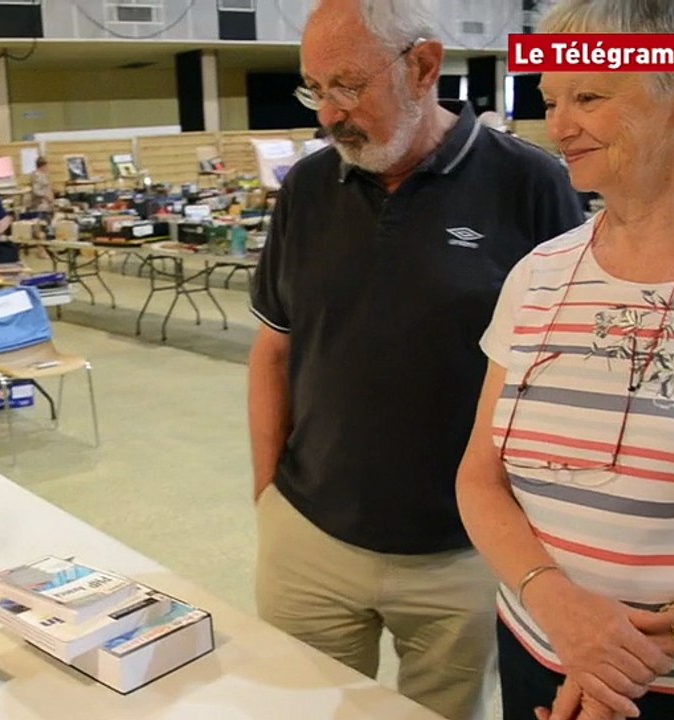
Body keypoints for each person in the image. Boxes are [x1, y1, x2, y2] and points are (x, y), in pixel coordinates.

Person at [248, 1, 584, 719]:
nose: (330, 114)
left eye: (347, 84)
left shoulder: (530, 185)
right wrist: (266, 496)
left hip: (461, 558)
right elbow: (273, 351)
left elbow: (564, 381)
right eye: (315, 88)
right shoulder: (306, 190)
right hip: (308, 539)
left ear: (424, 66)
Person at [455, 2, 674, 720]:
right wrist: (559, 608)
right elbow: (479, 476)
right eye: (553, 99)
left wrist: (622, 659)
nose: (558, 127)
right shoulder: (540, 271)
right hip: (537, 659)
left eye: (589, 96)